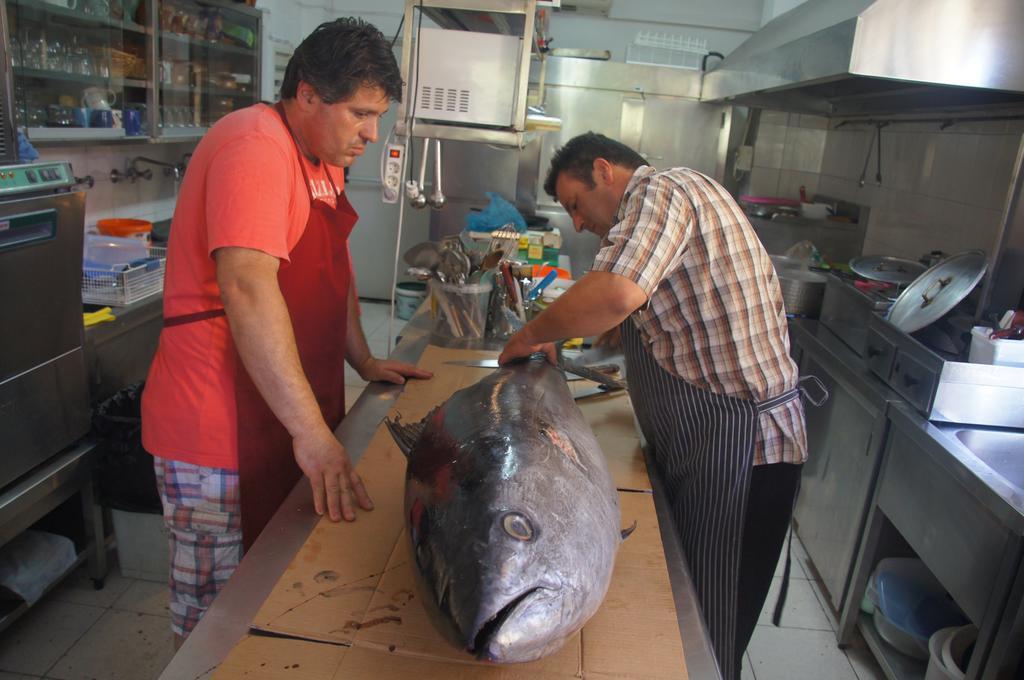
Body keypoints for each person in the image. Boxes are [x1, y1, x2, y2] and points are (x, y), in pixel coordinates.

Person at [141, 18, 432, 645]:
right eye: (359, 113)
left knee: (269, 593)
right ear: (306, 94)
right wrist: (314, 433)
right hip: (218, 431)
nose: (371, 134)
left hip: (273, 411)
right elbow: (248, 285)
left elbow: (333, 269)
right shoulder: (256, 147)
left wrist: (364, 361)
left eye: (378, 117)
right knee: (213, 625)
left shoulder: (318, 160)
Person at [498, 132, 808, 680]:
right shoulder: (653, 212)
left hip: (745, 450)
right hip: (708, 443)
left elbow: (616, 294)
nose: (577, 223)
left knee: (711, 631)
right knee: (685, 600)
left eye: (575, 204)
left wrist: (531, 335)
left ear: (604, 171)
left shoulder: (665, 191)